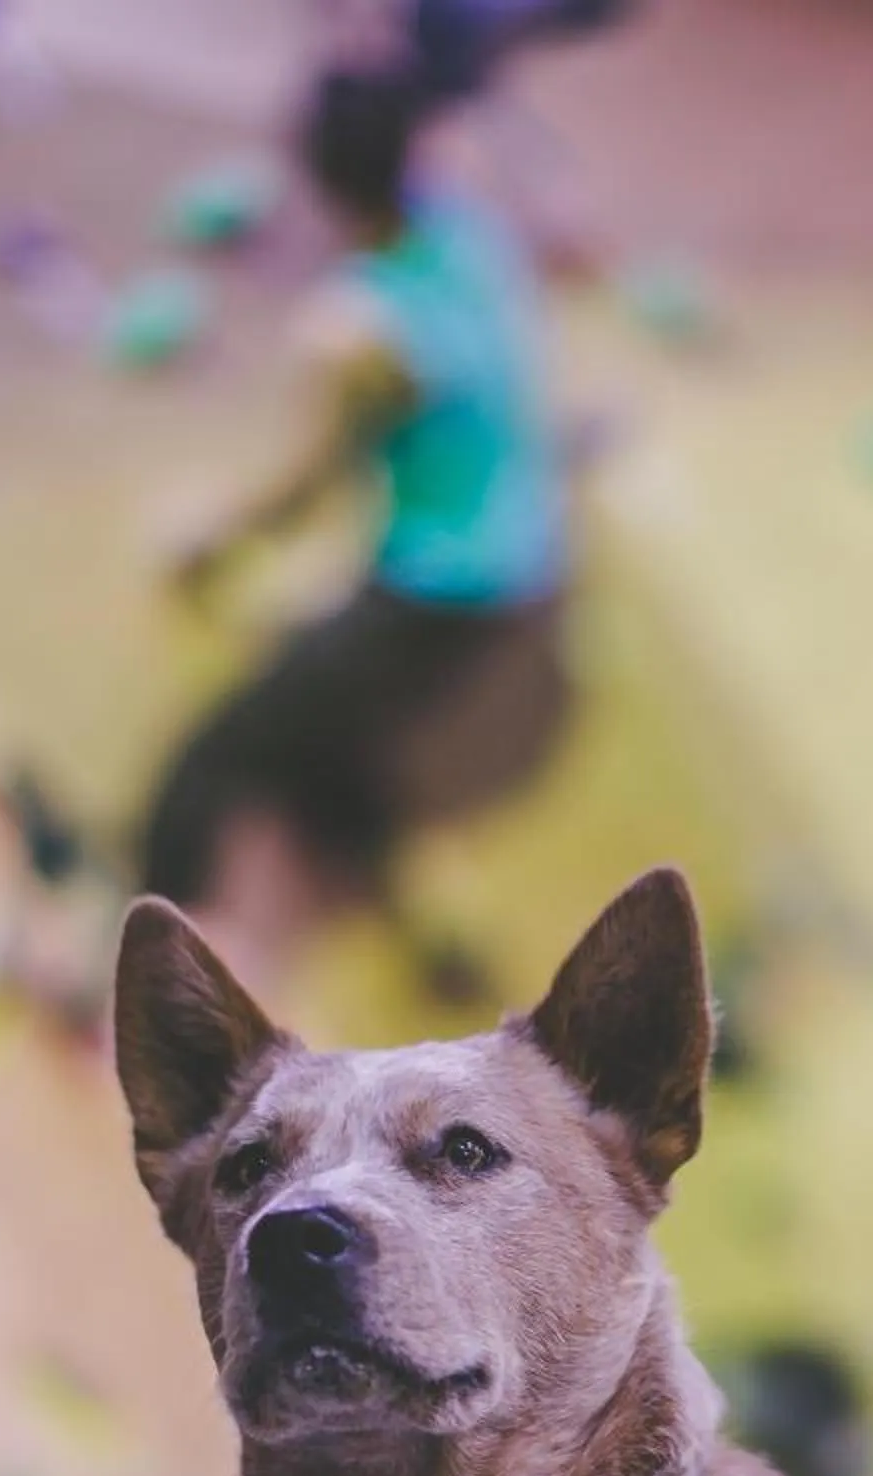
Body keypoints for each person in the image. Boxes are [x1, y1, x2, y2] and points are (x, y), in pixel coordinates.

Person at [143, 60, 572, 993]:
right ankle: (433, 940)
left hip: (440, 593)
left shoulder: (361, 335)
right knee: (336, 748)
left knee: (213, 757)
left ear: (323, 184)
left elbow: (301, 496)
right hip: (530, 552)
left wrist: (201, 537)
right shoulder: (467, 220)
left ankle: (137, 961)